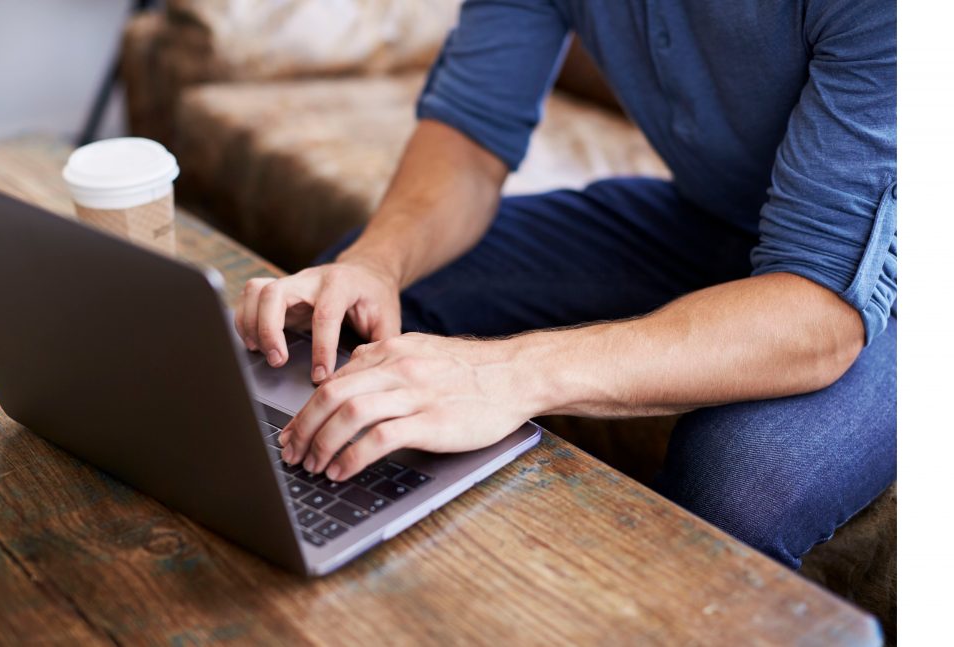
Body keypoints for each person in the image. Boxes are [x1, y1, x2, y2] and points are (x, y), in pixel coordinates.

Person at [233, 0, 895, 569]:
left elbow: (819, 312)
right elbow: (469, 132)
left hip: (878, 286)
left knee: (737, 487)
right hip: (720, 219)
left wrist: (507, 373)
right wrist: (377, 262)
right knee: (347, 310)